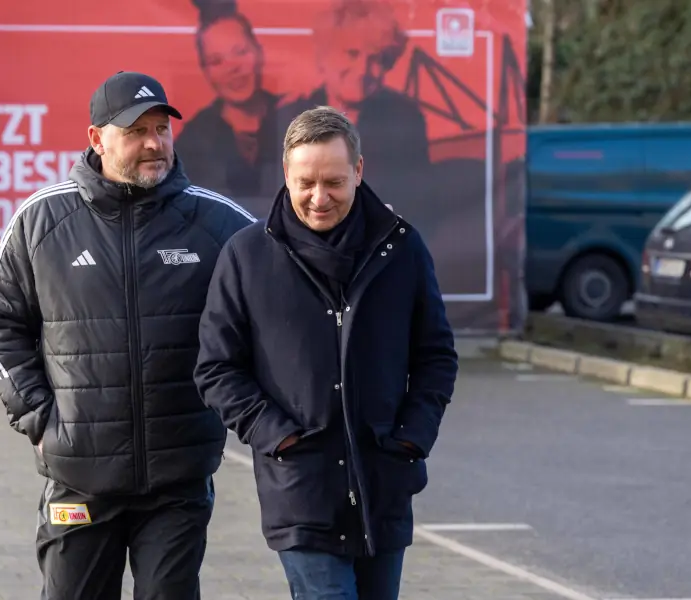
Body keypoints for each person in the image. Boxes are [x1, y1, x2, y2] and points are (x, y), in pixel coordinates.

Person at [0, 71, 255, 600]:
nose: (154, 143)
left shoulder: (219, 224)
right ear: (97, 138)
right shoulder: (41, 220)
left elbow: (275, 312)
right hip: (79, 476)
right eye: (136, 131)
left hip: (178, 479)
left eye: (162, 129)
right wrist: (38, 415)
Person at [194, 106, 458, 599]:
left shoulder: (401, 249)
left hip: (384, 485)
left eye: (334, 181)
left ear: (359, 170)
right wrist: (278, 436)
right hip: (301, 492)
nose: (319, 198)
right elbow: (216, 367)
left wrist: (412, 437)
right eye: (306, 182)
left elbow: (436, 356)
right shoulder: (247, 256)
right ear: (286, 174)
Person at [275, 0, 430, 207]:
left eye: (375, 59)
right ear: (324, 55)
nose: (362, 70)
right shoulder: (289, 115)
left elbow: (417, 202)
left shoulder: (406, 119)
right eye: (352, 53)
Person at [175, 11, 282, 213]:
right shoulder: (191, 142)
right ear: (205, 71)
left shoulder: (293, 118)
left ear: (259, 52)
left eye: (240, 51)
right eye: (216, 61)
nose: (232, 67)